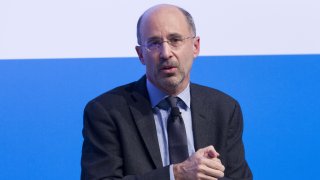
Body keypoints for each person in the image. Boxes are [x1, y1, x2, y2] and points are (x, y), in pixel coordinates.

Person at [81, 4, 252, 180]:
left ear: (195, 46)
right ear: (140, 54)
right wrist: (176, 174)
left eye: (175, 40)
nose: (165, 53)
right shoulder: (106, 111)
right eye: (154, 43)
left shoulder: (224, 109)